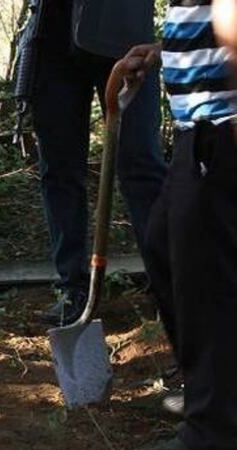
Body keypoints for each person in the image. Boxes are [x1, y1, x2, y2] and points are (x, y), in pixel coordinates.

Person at [126, 0, 237, 450]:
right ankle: (226, 394)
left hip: (228, 120)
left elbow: (236, 8)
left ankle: (216, 432)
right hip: (223, 117)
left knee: (213, 275)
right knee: (167, 244)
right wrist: (170, 50)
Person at [30, 0, 168, 325]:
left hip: (125, 39)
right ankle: (72, 289)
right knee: (59, 170)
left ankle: (169, 287)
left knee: (141, 165)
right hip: (50, 38)